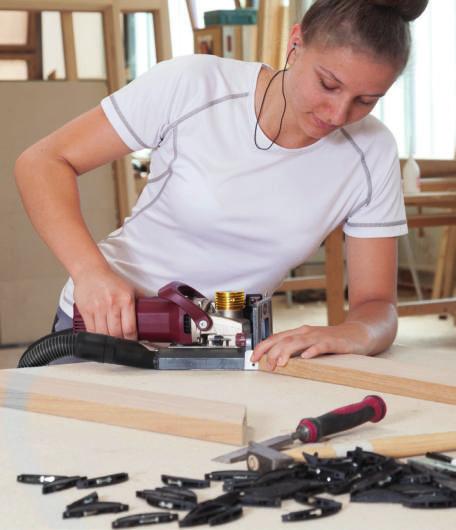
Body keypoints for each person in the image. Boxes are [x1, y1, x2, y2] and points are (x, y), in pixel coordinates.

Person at [14, 0, 428, 370]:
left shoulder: (371, 151)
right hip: (108, 326)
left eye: (366, 100)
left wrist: (351, 333)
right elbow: (43, 162)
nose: (338, 114)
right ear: (295, 42)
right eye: (328, 84)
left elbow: (377, 307)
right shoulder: (196, 85)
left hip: (228, 347)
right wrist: (90, 274)